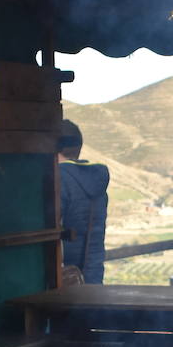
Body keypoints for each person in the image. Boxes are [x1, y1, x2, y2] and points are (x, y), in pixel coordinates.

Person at [58, 119, 110, 284]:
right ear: (79, 147)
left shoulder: (58, 180)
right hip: (93, 274)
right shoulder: (97, 180)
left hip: (64, 280)